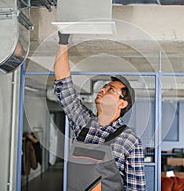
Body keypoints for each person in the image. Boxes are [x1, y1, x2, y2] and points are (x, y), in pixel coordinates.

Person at [54, 32, 146, 190]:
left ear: (122, 104)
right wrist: (63, 40)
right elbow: (63, 84)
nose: (102, 90)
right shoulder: (83, 123)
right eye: (104, 87)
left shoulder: (129, 141)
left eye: (110, 89)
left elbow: (136, 188)